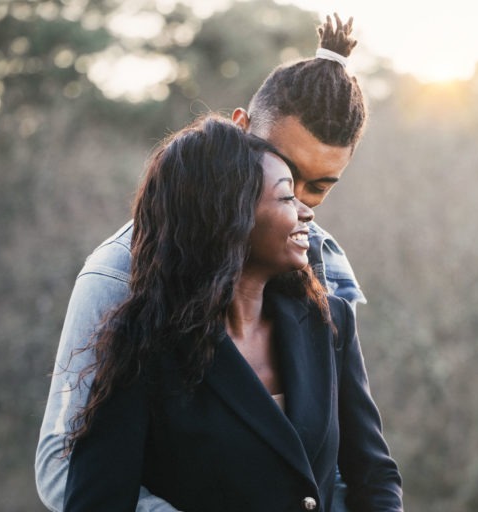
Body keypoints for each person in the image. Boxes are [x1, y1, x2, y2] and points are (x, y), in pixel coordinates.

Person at [35, 13, 382, 512]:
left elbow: (346, 461)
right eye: (283, 171)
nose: (302, 203)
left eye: (319, 186)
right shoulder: (118, 273)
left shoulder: (324, 266)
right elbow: (61, 469)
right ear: (237, 132)